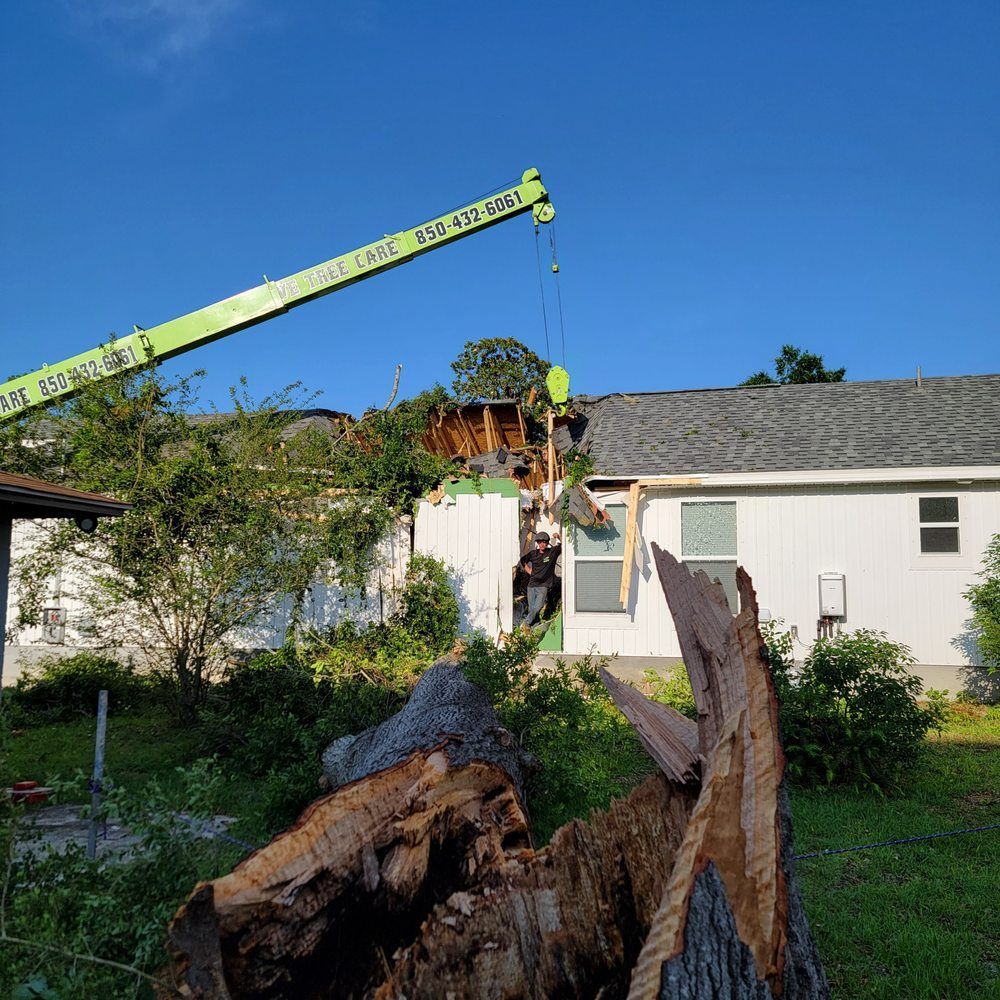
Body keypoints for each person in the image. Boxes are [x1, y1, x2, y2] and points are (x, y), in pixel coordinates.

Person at [519, 530, 562, 627]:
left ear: (547, 543)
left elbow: (564, 546)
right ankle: (534, 628)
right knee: (532, 610)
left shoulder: (552, 552)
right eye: (540, 542)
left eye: (544, 542)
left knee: (537, 607)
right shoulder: (533, 554)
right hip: (531, 585)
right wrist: (529, 571)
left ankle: (525, 624)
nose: (542, 544)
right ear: (537, 543)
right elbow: (523, 560)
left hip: (543, 586)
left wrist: (559, 537)